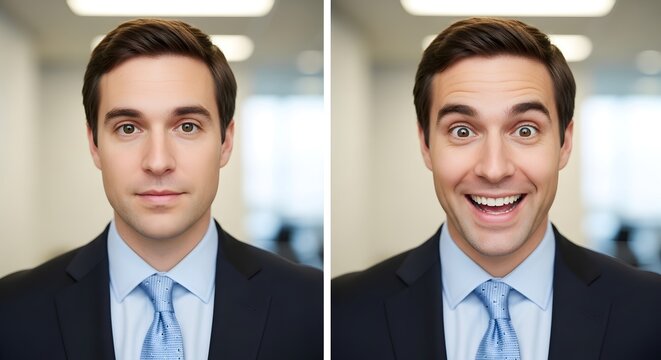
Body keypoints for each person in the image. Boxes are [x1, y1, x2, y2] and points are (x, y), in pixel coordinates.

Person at [332, 17, 661, 359]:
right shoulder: (339, 314)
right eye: (462, 131)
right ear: (425, 144)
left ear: (565, 143)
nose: (494, 169)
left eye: (524, 131)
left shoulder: (651, 312)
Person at [0, 19, 322, 359]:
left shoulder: (314, 307)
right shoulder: (11, 310)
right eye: (128, 128)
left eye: (187, 126)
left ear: (226, 142)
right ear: (94, 144)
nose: (157, 161)